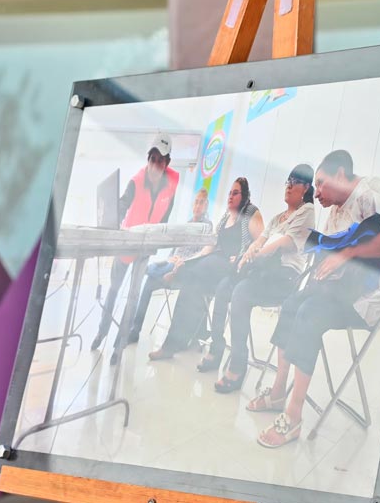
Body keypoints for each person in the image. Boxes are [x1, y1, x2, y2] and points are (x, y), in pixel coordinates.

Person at [249, 149, 380, 448]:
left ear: (341, 175)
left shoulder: (371, 190)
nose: (315, 192)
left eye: (320, 183)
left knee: (309, 312)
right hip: (342, 290)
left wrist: (347, 254)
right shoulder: (335, 212)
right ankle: (279, 390)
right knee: (294, 303)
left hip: (368, 296)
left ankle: (293, 417)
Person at [211, 165, 316, 392]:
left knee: (240, 293)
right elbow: (261, 241)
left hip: (286, 277)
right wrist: (252, 252)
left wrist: (256, 253)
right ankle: (215, 347)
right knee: (224, 286)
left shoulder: (306, 211)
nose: (288, 185)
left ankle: (238, 365)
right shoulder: (278, 217)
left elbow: (283, 243)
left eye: (294, 181)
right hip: (265, 270)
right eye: (288, 180)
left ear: (306, 187)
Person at [147, 177, 263, 360]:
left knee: (194, 272)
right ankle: (174, 343)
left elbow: (260, 242)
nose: (230, 196)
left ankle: (179, 274)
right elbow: (211, 245)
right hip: (216, 264)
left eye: (235, 193)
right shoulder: (226, 216)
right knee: (191, 283)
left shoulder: (251, 212)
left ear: (245, 195)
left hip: (234, 267)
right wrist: (193, 259)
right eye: (229, 193)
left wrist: (243, 256)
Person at [90, 133, 180, 351]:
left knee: (133, 296)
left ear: (167, 163)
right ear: (148, 159)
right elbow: (122, 204)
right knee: (113, 290)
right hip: (127, 243)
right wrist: (114, 222)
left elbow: (166, 216)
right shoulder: (136, 181)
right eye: (153, 159)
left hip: (145, 247)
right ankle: (102, 331)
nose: (155, 165)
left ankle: (120, 342)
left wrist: (158, 240)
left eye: (161, 160)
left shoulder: (171, 185)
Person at [121, 188, 212, 347]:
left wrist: (180, 261)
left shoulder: (207, 227)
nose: (197, 206)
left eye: (201, 202)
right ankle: (135, 331)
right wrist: (173, 258)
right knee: (149, 283)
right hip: (171, 265)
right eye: (196, 202)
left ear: (206, 205)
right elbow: (174, 249)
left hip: (184, 270)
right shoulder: (188, 224)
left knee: (150, 270)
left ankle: (146, 269)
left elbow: (202, 255)